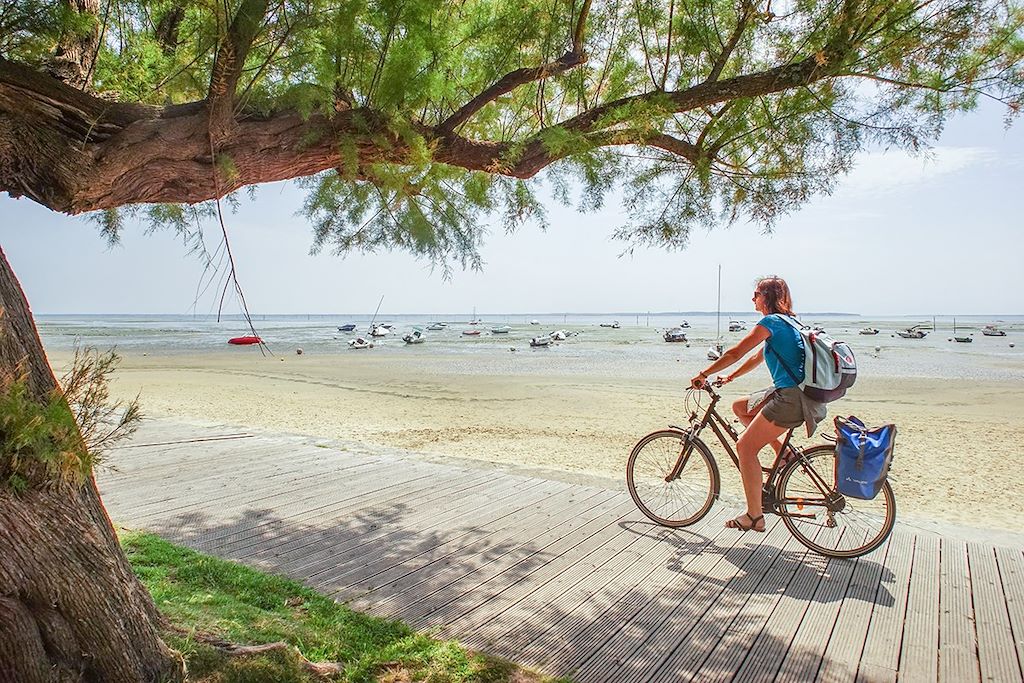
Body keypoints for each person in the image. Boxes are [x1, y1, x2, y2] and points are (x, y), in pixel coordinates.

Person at [689, 276, 826, 533]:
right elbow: (756, 357)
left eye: (756, 294)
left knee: (745, 447)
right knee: (741, 408)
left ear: (767, 297)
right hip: (796, 394)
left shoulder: (770, 322)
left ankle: (754, 516)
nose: (753, 299)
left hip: (790, 399)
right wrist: (730, 376)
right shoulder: (790, 322)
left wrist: (704, 373)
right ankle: (783, 455)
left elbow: (735, 352)